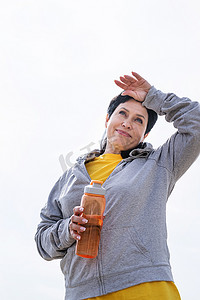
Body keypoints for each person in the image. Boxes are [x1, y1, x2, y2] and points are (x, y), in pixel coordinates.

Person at [35, 72, 200, 300]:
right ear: (107, 119)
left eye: (138, 120)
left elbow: (197, 123)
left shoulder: (159, 164)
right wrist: (67, 230)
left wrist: (154, 96)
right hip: (82, 292)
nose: (127, 123)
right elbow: (43, 242)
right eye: (122, 113)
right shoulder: (69, 178)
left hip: (144, 287)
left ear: (146, 133)